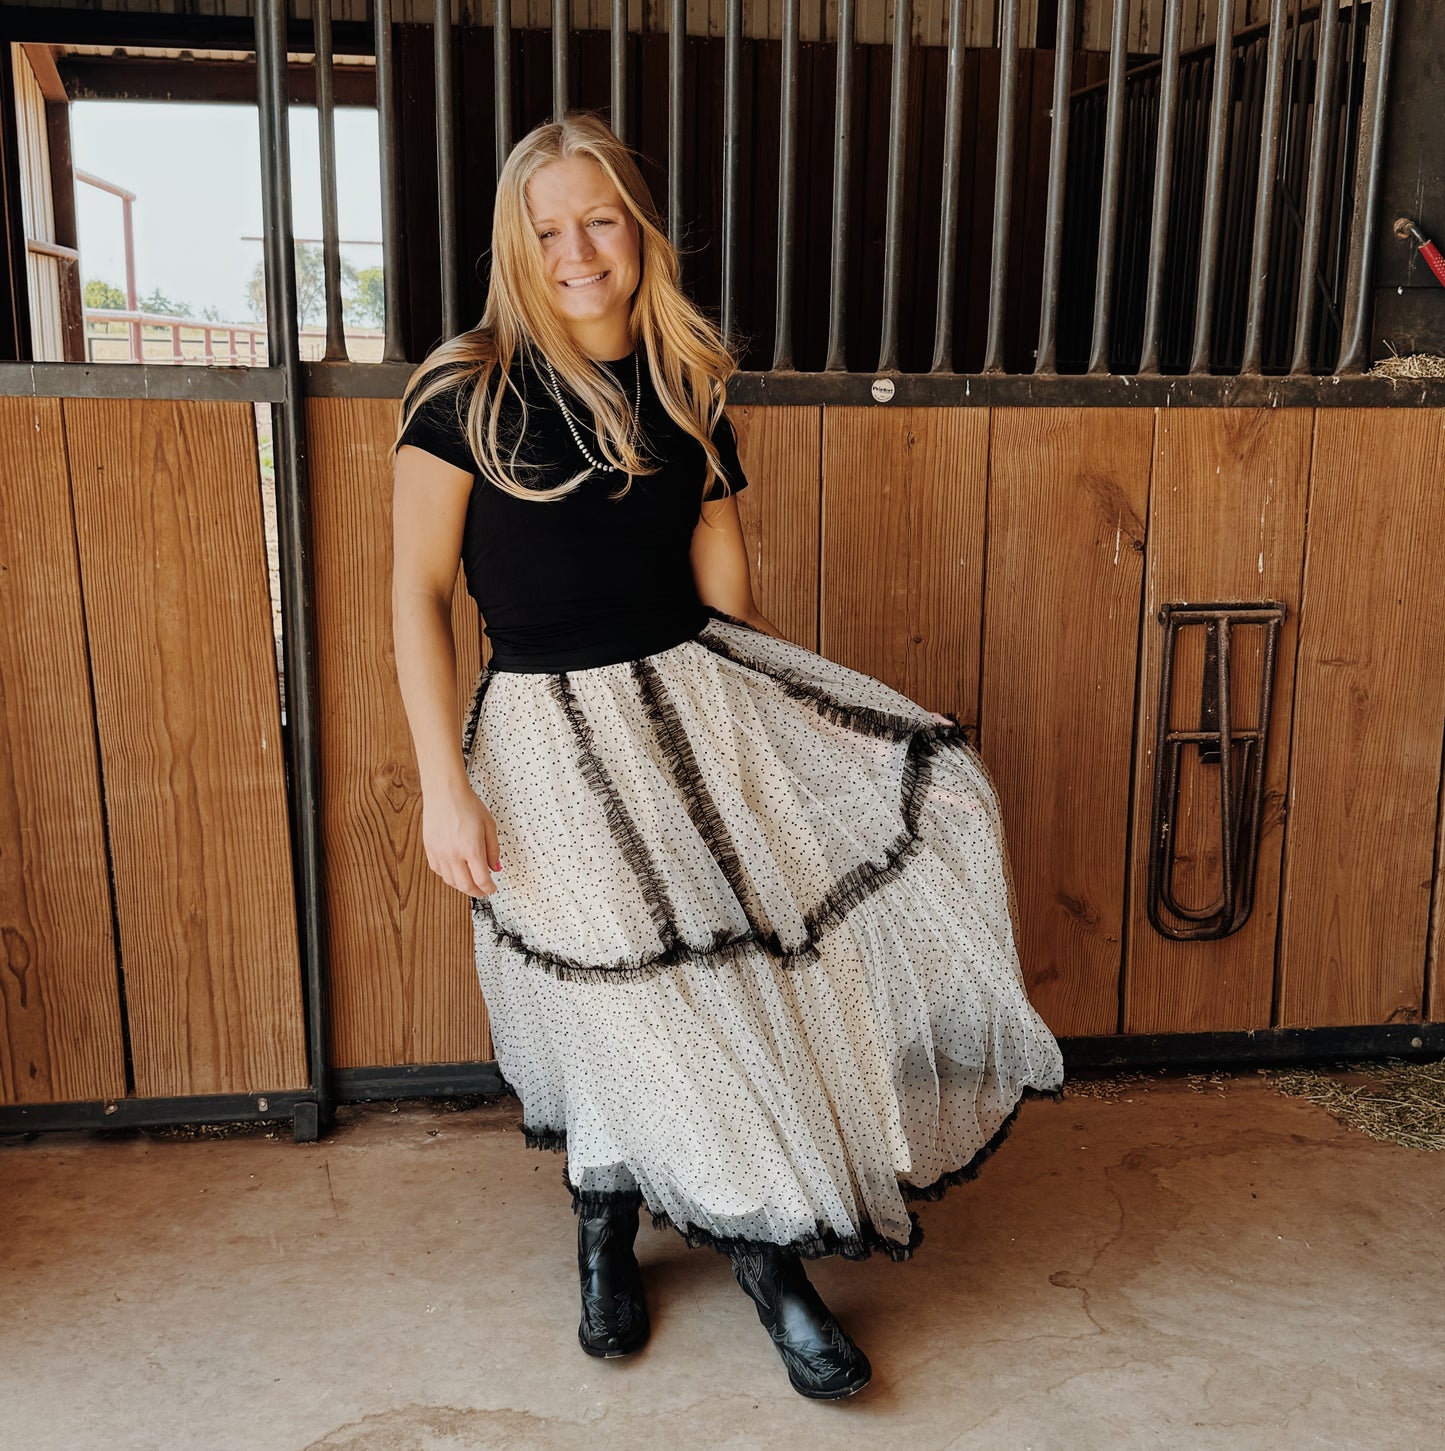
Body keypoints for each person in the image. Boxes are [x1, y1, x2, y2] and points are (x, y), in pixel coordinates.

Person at [390, 110, 1065, 1401]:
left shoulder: (686, 376)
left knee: (743, 971)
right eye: (549, 230)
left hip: (692, 705)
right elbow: (413, 599)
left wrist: (773, 719)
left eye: (600, 221)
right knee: (627, 994)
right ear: (515, 246)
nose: (577, 249)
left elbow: (720, 577)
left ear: (637, 230)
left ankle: (762, 1255)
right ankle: (614, 1227)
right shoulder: (462, 387)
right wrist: (441, 782)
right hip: (542, 728)